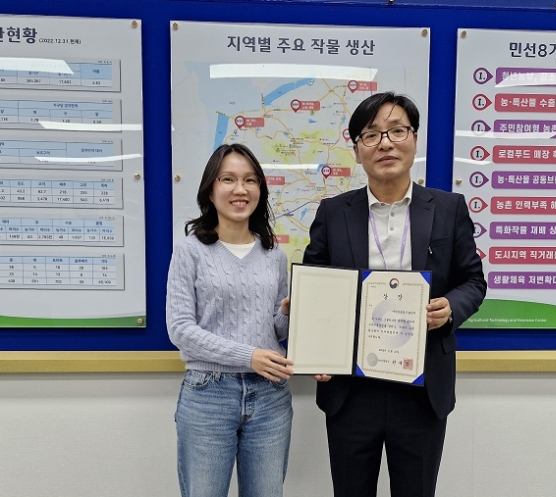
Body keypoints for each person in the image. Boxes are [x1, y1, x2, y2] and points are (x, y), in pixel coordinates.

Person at [303, 92, 487, 497]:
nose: (385, 143)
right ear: (357, 151)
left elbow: (473, 282)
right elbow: (315, 286)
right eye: (371, 135)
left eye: (397, 131)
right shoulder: (333, 213)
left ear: (414, 139)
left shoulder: (448, 208)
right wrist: (312, 340)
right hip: (352, 390)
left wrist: (450, 308)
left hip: (422, 388)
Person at [166, 143, 294, 497]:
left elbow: (276, 331)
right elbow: (180, 329)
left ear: (260, 190)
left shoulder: (274, 255)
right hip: (209, 393)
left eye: (250, 180)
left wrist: (287, 313)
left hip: (270, 395)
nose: (241, 189)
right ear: (211, 190)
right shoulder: (190, 250)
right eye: (228, 179)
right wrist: (248, 356)